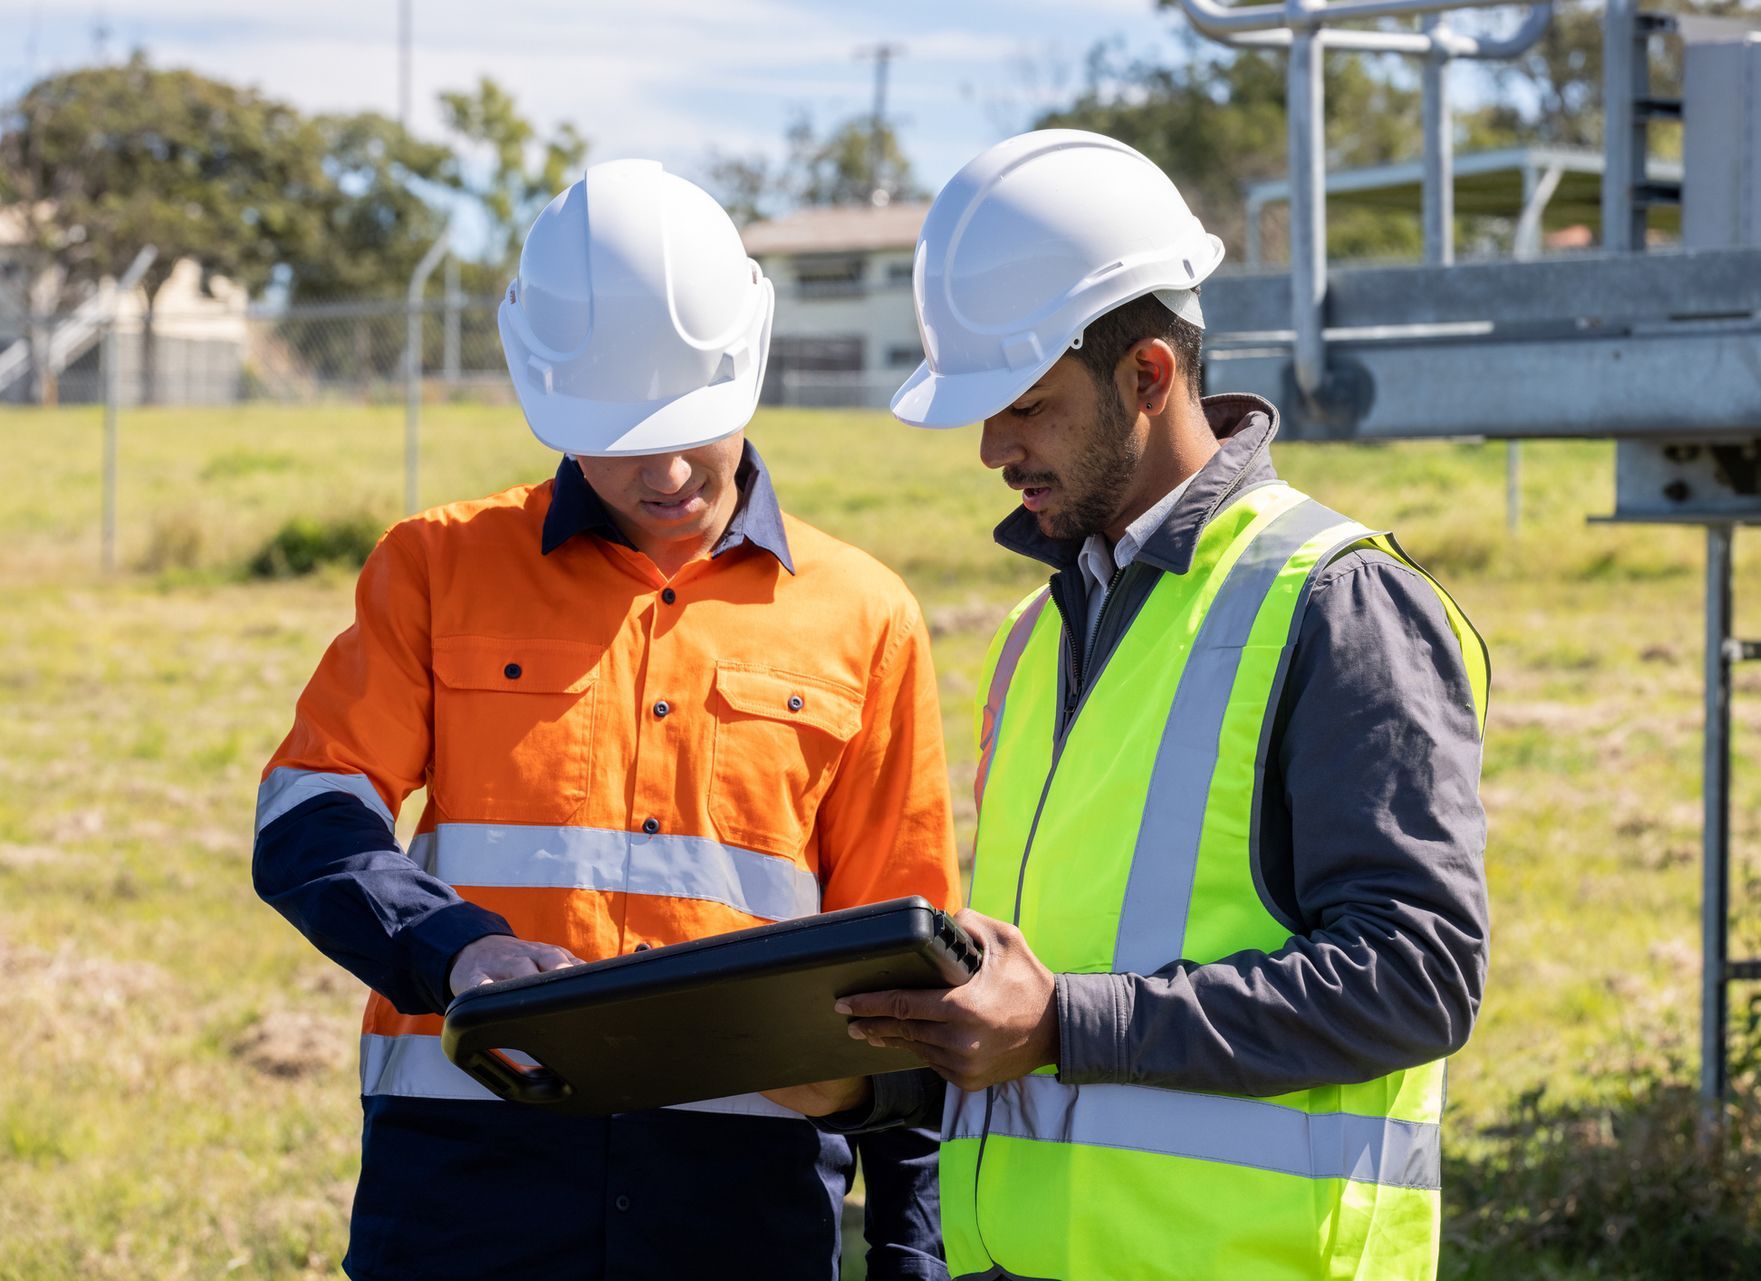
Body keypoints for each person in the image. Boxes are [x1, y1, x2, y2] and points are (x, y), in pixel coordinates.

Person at [252, 158, 960, 1281]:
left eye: (695, 425)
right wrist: (455, 950)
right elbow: (309, 815)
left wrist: (911, 1251)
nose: (668, 470)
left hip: (741, 1212)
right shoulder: (435, 569)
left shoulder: (865, 615)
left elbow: (915, 974)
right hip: (466, 1190)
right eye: (622, 435)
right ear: (546, 394)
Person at [820, 129, 1492, 1281]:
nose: (993, 448)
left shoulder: (1337, 603)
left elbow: (1416, 976)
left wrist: (1067, 1025)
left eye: (1026, 406)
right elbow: (1047, 978)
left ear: (1148, 376)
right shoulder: (1041, 632)